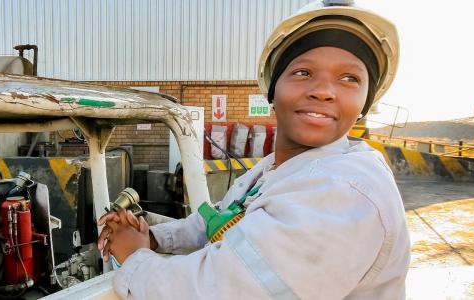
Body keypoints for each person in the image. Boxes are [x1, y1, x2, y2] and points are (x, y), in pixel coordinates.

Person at [98, 1, 410, 299]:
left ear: (366, 102)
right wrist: (153, 237)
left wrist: (135, 257)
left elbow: (217, 291)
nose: (323, 91)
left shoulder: (345, 190)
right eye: (303, 72)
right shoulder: (278, 169)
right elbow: (223, 219)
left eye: (349, 78)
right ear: (273, 90)